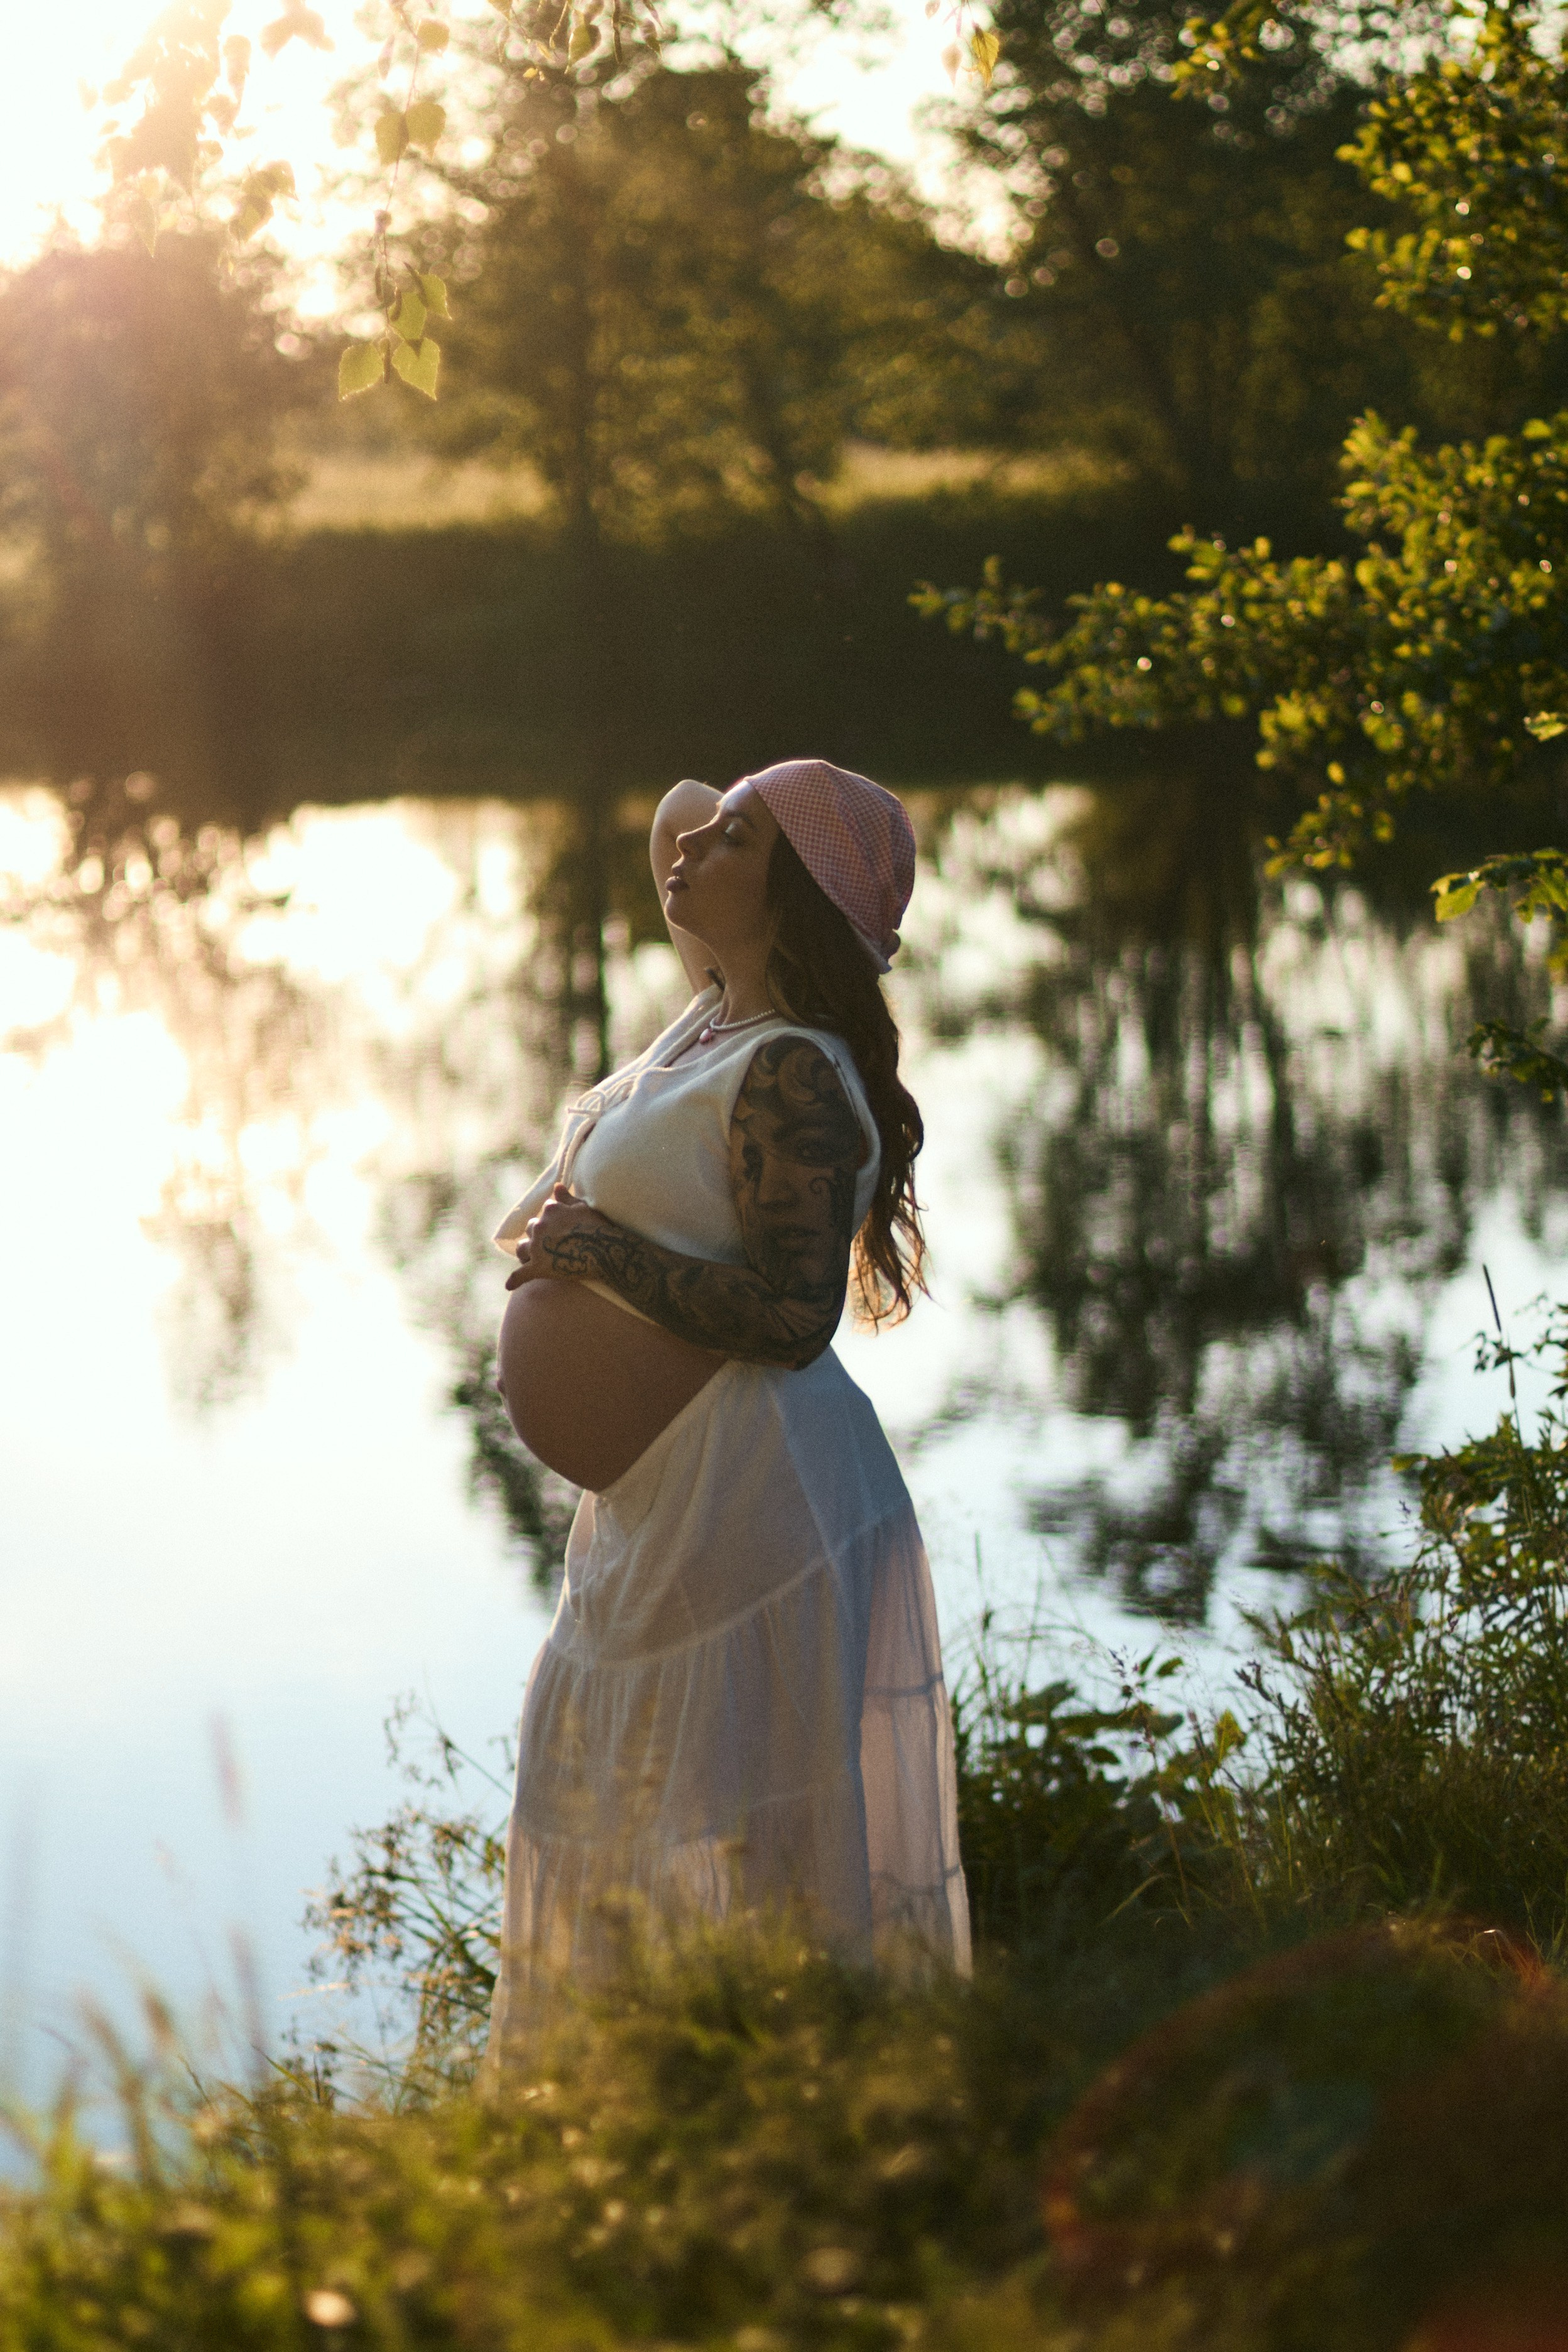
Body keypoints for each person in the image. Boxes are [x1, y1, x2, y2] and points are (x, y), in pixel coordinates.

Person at [482, 758, 970, 2075]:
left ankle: (794, 2124)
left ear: (796, 888)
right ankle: (646, 2111)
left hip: (764, 1501)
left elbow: (794, 1315)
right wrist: (729, 814)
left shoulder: (797, 1072)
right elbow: (674, 819)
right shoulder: (705, 1021)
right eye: (697, 838)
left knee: (764, 1849)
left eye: (735, 839)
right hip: (666, 1503)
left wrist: (596, 1255)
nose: (690, 847)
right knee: (609, 1801)